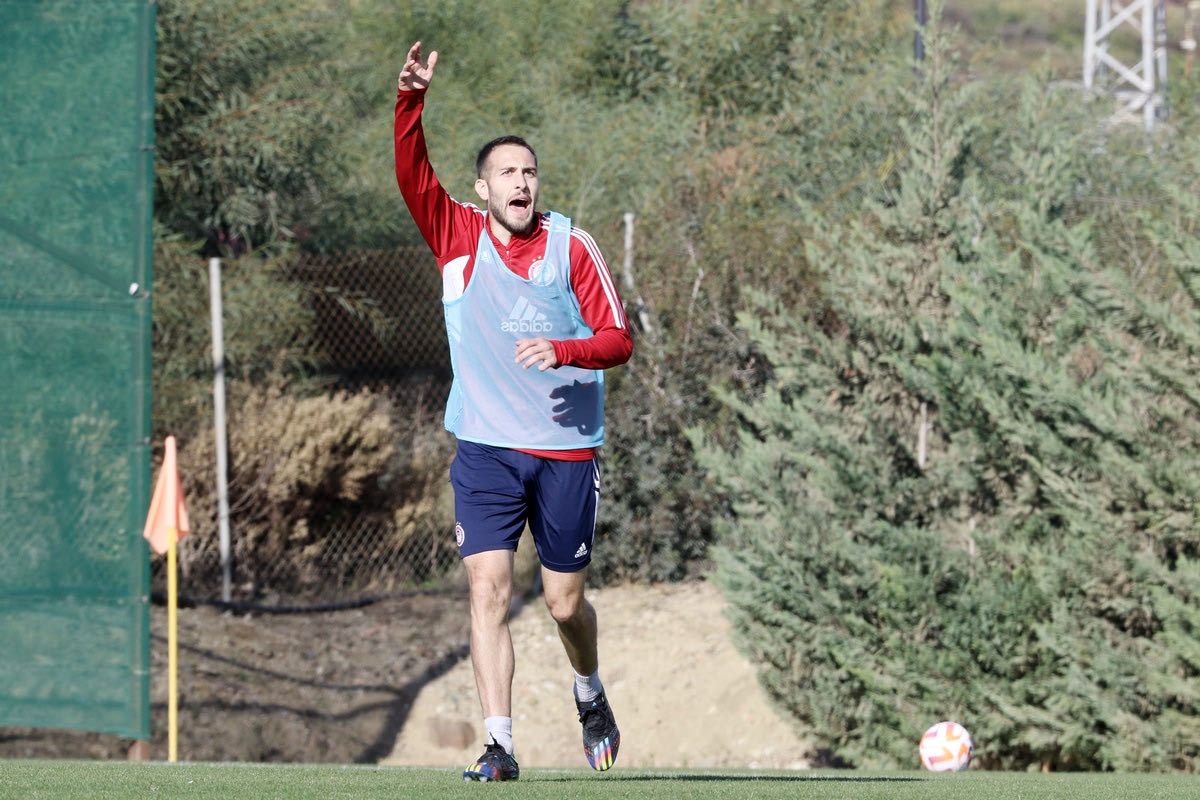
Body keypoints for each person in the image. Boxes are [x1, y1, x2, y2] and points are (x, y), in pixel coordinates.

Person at [394, 41, 633, 782]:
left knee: (563, 605)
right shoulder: (457, 235)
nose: (521, 182)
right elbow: (412, 175)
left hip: (565, 450)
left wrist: (564, 350)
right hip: (486, 448)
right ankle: (499, 746)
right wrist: (409, 102)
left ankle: (588, 689)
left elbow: (618, 340)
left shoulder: (572, 246)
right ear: (483, 187)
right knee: (487, 589)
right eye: (507, 172)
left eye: (529, 172)